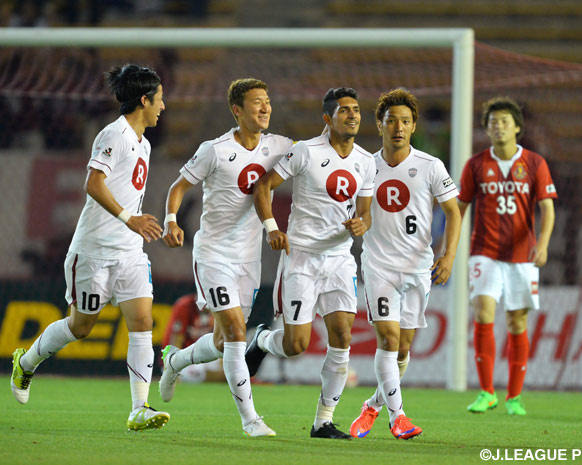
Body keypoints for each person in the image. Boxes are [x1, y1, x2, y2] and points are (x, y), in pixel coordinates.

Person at [11, 64, 170, 431]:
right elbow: (93, 184)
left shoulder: (143, 143)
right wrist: (130, 218)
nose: (164, 106)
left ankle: (139, 408)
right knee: (81, 327)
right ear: (144, 100)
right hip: (94, 251)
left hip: (130, 252)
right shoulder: (113, 135)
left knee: (143, 322)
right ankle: (27, 363)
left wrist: (135, 226)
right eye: (159, 99)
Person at [160, 78, 293, 437]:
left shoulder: (280, 146)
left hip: (249, 260)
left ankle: (175, 360)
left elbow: (315, 160)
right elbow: (178, 187)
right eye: (256, 103)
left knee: (222, 342)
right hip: (214, 254)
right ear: (237, 110)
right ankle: (251, 419)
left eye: (267, 101)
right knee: (236, 333)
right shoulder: (214, 150)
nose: (265, 108)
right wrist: (171, 220)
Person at [246, 87, 375, 440]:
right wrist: (272, 227)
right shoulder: (305, 151)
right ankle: (260, 341)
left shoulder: (366, 160)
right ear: (327, 118)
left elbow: (365, 212)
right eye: (344, 110)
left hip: (339, 259)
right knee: (296, 345)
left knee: (342, 336)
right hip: (301, 258)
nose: (352, 115)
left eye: (356, 109)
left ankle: (323, 421)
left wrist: (362, 224)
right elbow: (263, 187)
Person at [348, 89, 461, 439]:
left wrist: (449, 255)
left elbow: (453, 212)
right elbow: (359, 214)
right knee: (388, 338)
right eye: (392, 120)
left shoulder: (430, 166)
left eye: (406, 121)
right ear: (380, 125)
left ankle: (372, 406)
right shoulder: (364, 165)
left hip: (417, 267)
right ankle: (399, 418)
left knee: (403, 348)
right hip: (380, 265)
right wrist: (357, 223)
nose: (399, 127)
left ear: (413, 127)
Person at [459, 96, 557, 416]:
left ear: (517, 127)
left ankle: (514, 396)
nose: (498, 127)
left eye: (504, 121)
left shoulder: (534, 163)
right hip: (484, 251)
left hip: (521, 255)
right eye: (492, 122)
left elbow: (547, 208)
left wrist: (542, 244)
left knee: (517, 321)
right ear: (486, 129)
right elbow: (459, 207)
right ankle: (487, 392)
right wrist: (449, 246)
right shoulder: (475, 165)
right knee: (483, 312)